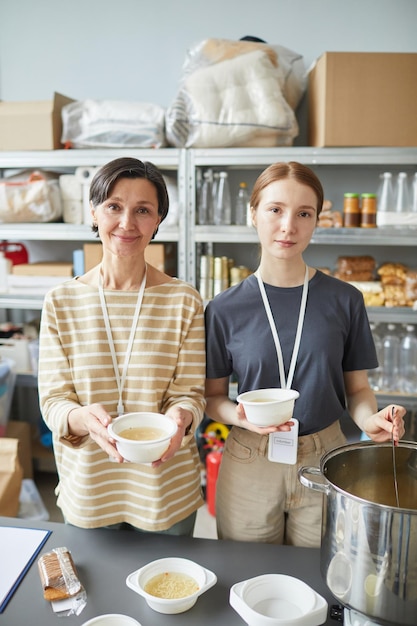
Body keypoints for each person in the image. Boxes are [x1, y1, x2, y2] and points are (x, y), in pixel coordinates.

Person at [204, 161, 406, 547]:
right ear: (253, 214)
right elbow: (213, 397)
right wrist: (239, 416)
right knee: (249, 576)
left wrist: (371, 419)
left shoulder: (345, 299)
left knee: (319, 578)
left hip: (326, 455)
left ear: (316, 221)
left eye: (303, 213)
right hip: (250, 456)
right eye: (275, 210)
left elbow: (358, 390)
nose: (288, 226)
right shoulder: (223, 308)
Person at [38, 157, 206, 535]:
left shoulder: (184, 300)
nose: (127, 223)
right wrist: (82, 419)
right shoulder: (61, 301)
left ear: (158, 220)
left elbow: (190, 393)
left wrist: (181, 417)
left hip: (164, 490)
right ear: (94, 212)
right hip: (91, 490)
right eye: (114, 207)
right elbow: (53, 400)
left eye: (143, 210)